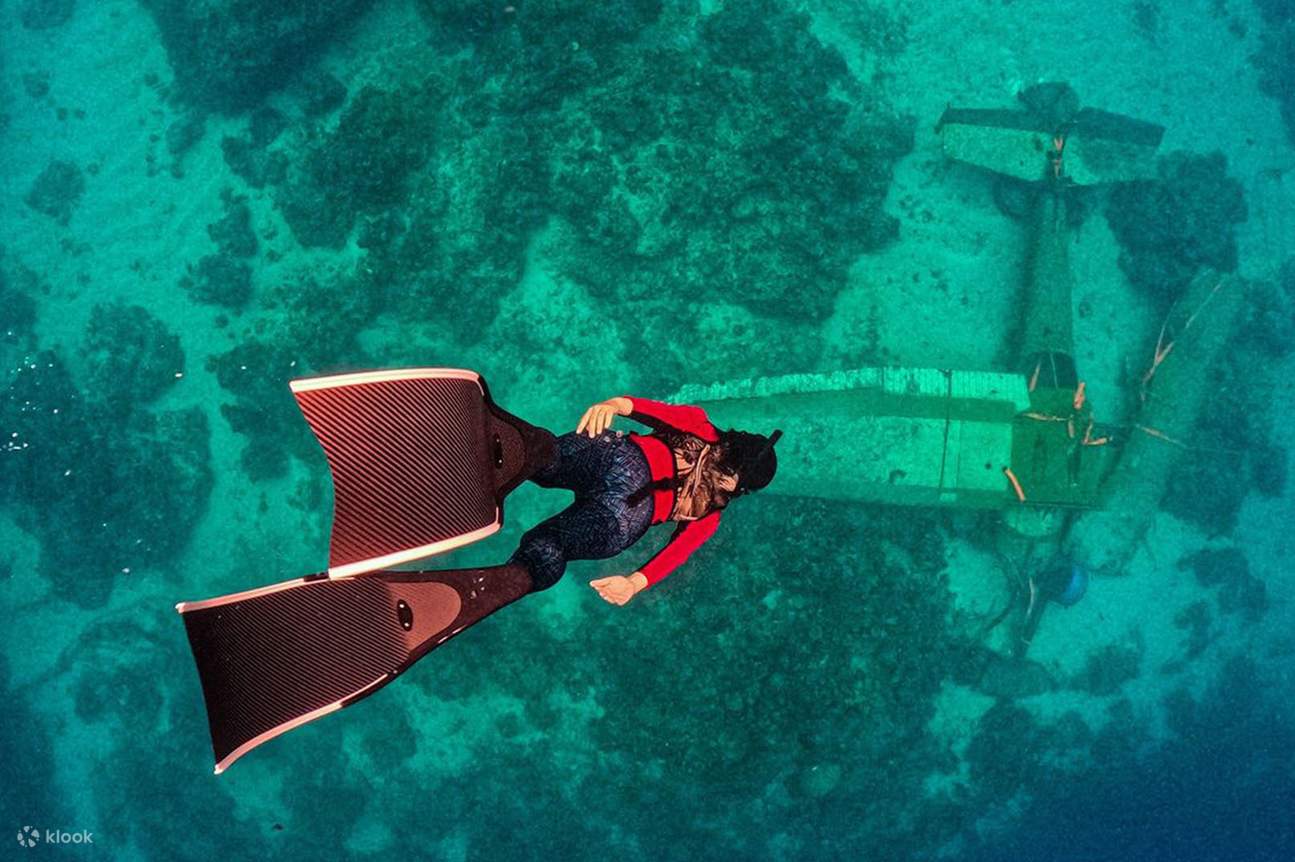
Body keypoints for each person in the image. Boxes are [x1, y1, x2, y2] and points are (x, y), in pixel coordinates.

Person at [508, 396, 782, 605]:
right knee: (552, 544)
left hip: (617, 457)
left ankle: (509, 449)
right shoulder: (710, 517)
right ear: (742, 488)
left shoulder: (700, 424)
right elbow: (675, 554)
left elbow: (651, 412)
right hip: (626, 517)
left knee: (548, 458)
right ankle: (517, 575)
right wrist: (632, 584)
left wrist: (613, 405)